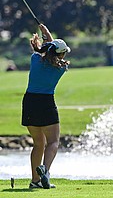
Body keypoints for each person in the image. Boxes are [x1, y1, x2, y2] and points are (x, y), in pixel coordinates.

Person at [22, 23, 71, 189]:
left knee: (38, 143)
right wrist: (47, 34)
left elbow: (47, 51)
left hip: (29, 101)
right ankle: (46, 170)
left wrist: (46, 35)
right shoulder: (61, 67)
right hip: (46, 102)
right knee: (53, 142)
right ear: (62, 53)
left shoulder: (35, 59)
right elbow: (53, 53)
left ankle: (35, 181)